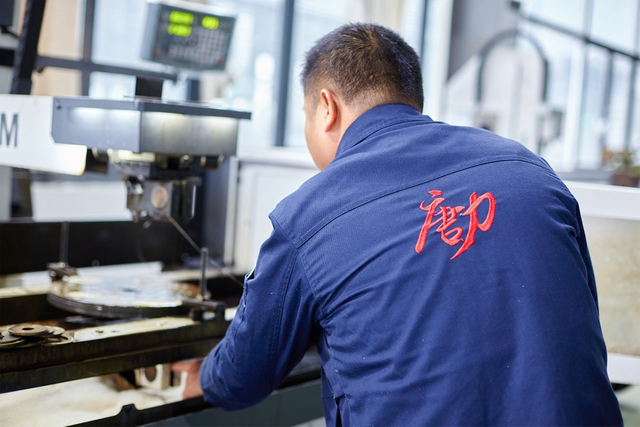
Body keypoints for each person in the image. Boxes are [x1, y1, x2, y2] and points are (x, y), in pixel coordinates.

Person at [173, 23, 623, 426]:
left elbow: (247, 373)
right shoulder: (530, 169)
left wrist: (203, 378)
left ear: (326, 107)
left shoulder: (309, 215)